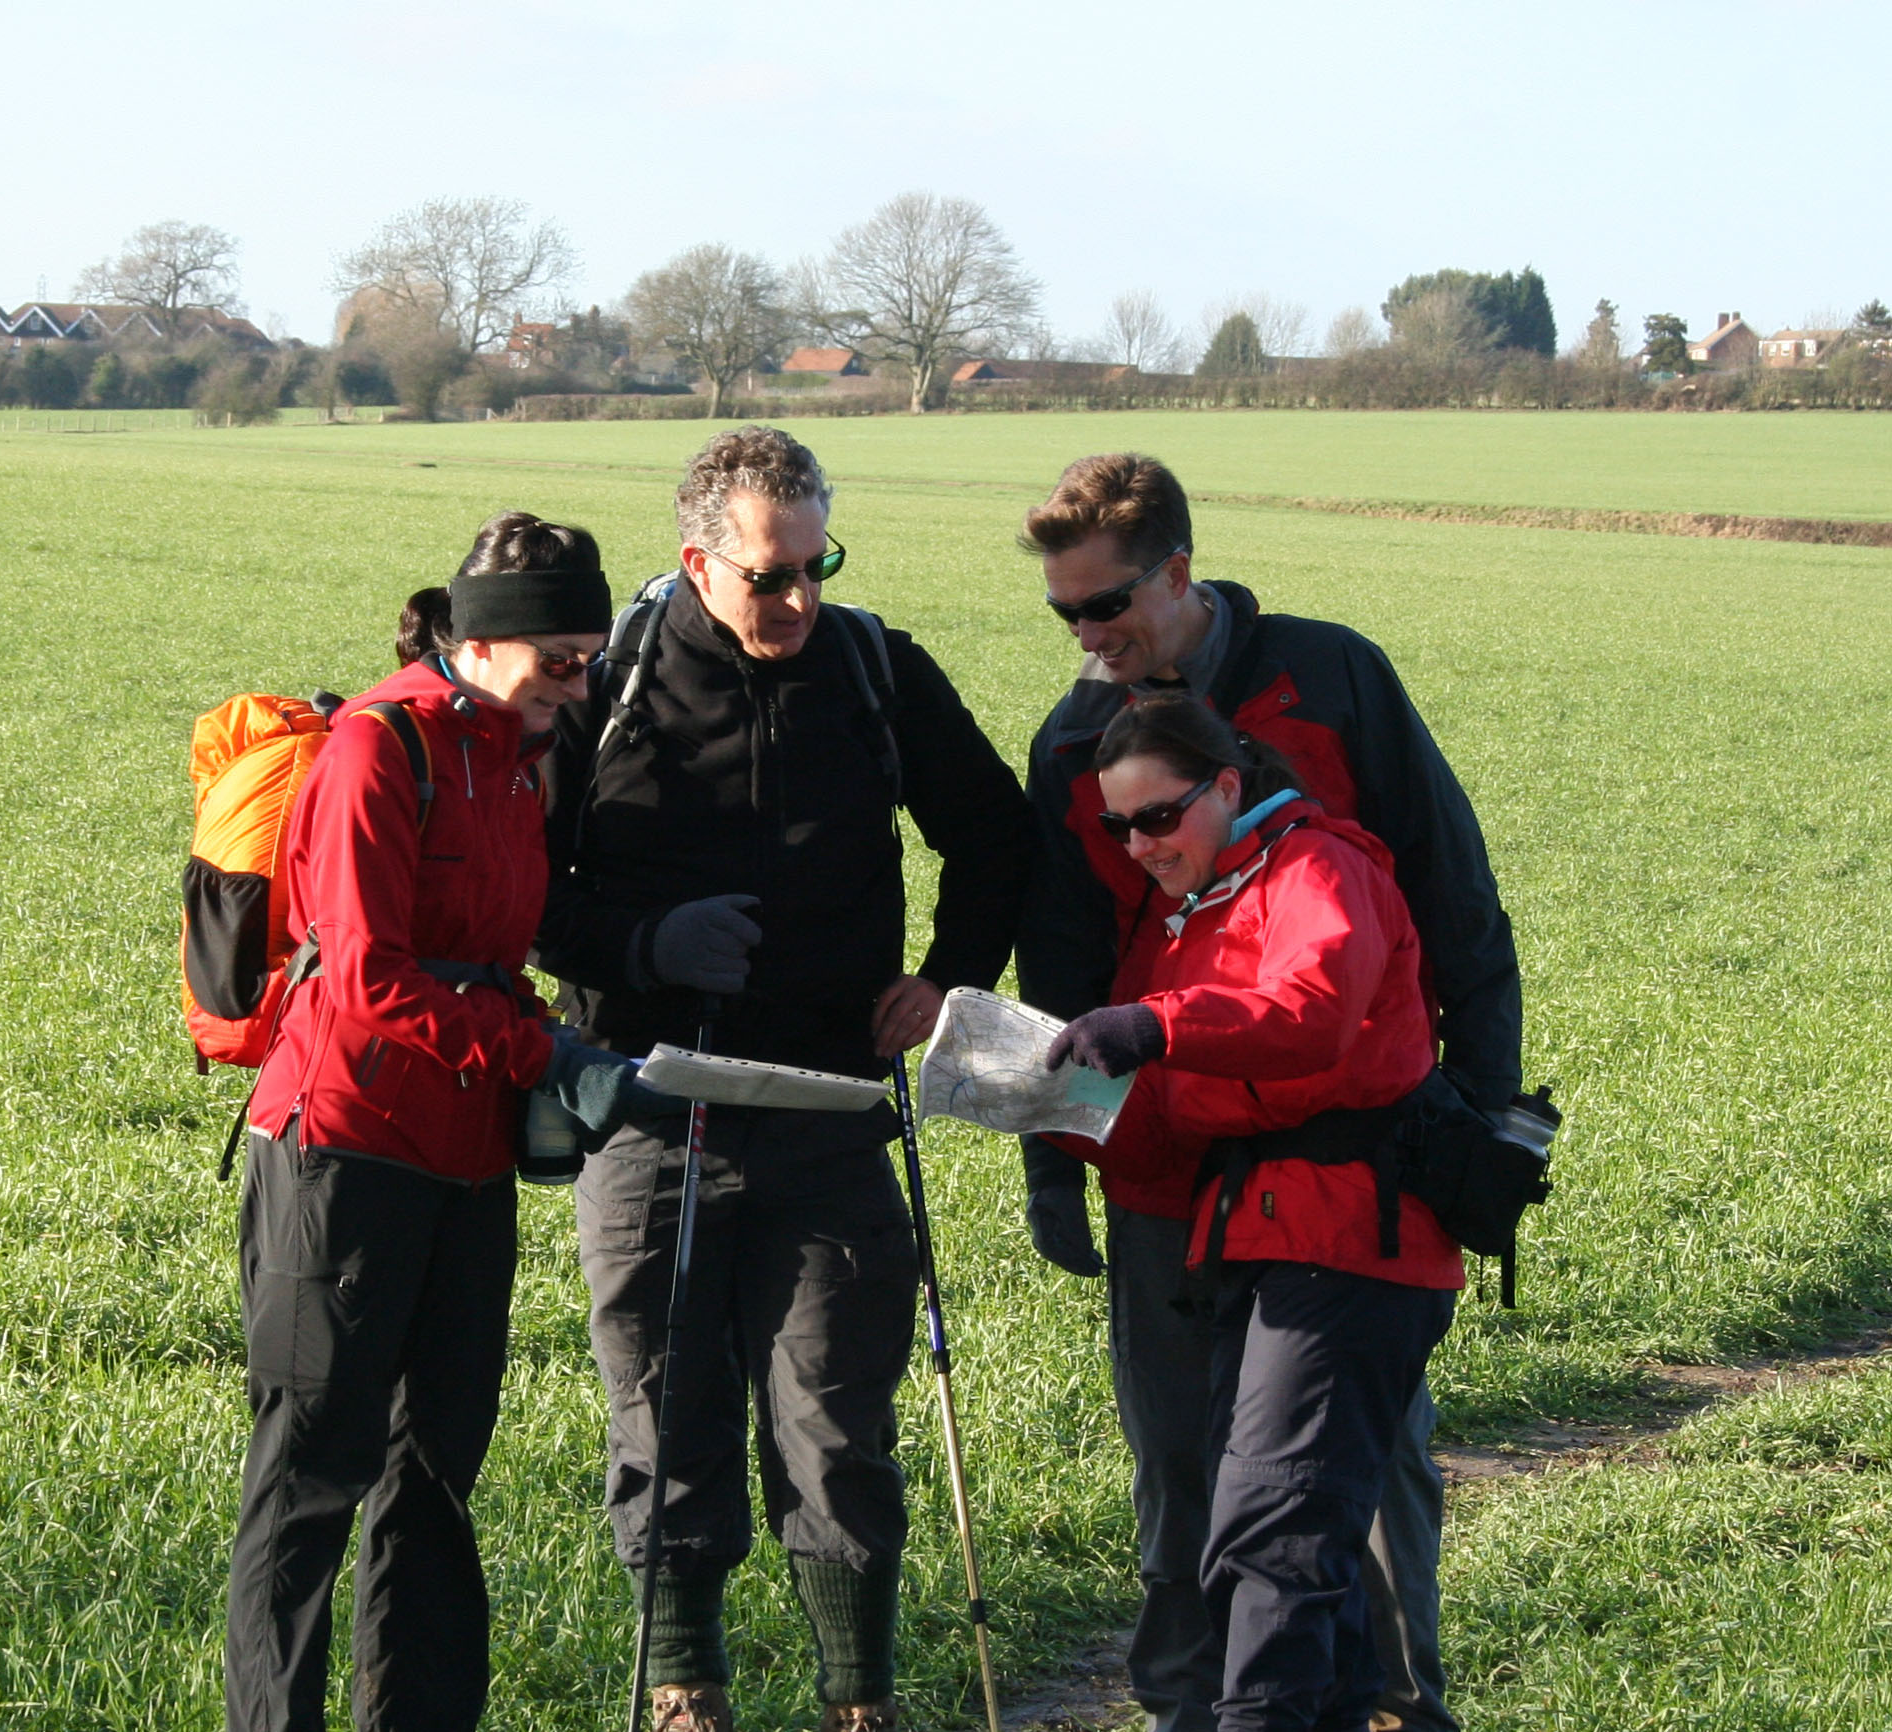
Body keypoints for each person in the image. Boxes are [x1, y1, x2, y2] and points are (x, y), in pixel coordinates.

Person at [535, 425, 1032, 1732]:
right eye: (770, 577)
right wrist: (638, 944)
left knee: (833, 1428)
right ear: (697, 562)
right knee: (661, 1414)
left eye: (818, 565)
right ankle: (682, 1693)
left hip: (828, 1118)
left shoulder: (873, 667)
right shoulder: (615, 680)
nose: (800, 599)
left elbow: (993, 833)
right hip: (650, 1110)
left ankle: (855, 1703)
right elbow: (515, 885)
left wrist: (945, 979)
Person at [1014, 454, 1520, 1732]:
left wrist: (1484, 1116)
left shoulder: (1332, 676)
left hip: (1353, 1159)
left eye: (1109, 604)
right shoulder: (1075, 738)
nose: (1090, 635)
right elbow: (1065, 966)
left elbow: (1453, 898)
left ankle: (1394, 1707)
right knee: (1187, 1465)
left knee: (1356, 1464)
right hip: (1164, 1159)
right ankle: (1200, 1705)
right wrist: (1050, 1154)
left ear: (1179, 570)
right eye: (1066, 613)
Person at [224, 511, 664, 1732]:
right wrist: (545, 1051)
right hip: (344, 1149)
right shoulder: (379, 750)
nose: (579, 688)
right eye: (560, 661)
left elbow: (485, 958)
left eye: (592, 658)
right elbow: (367, 976)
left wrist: (553, 1047)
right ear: (480, 642)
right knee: (312, 1478)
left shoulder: (514, 757)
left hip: (464, 1161)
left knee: (436, 1482)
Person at [1044, 694, 1462, 1732]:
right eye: (1117, 827)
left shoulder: (1321, 868)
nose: (1139, 845)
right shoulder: (1208, 903)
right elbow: (1182, 1111)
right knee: (1289, 1539)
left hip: (1346, 1244)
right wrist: (1053, 1119)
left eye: (1159, 816)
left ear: (1229, 786)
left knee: (1271, 1536)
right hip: (1264, 1244)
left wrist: (1154, 1022)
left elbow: (1309, 1013)